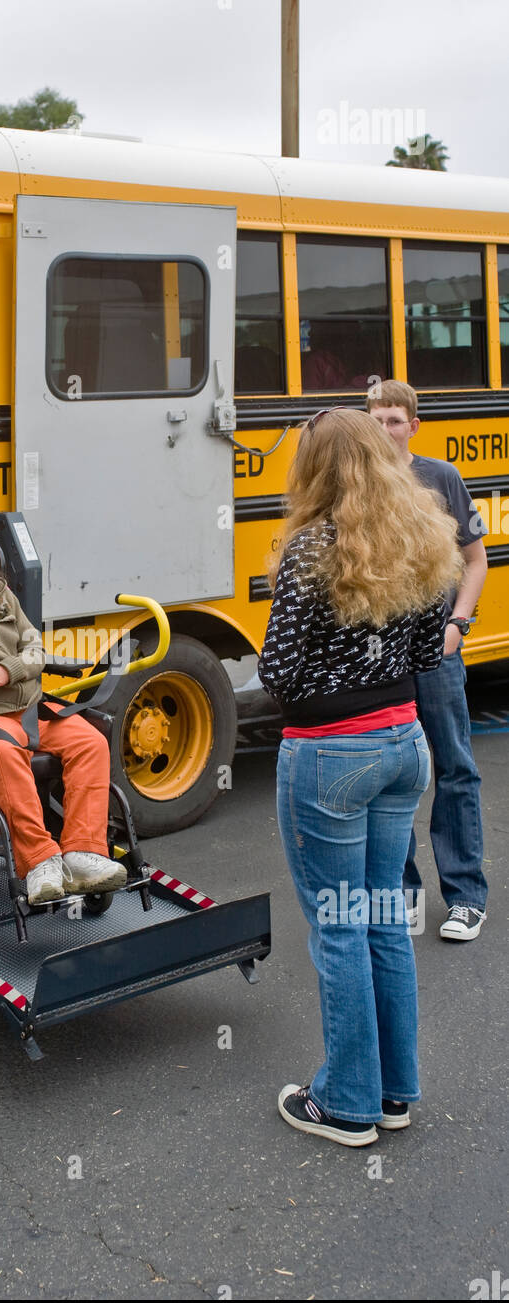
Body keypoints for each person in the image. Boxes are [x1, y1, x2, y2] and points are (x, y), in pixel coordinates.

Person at [258, 409, 461, 1146]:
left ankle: (346, 1104)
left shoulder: (313, 546)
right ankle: (394, 1091)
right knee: (381, 922)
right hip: (404, 744)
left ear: (314, 467)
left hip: (332, 756)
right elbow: (431, 658)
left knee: (338, 926)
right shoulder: (422, 535)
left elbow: (277, 672)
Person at [0, 513, 126, 905]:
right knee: (3, 755)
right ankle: (40, 863)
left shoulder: (0, 593)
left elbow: (35, 647)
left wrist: (10, 668)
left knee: (91, 742)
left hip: (31, 710)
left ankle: (84, 852)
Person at [367, 380, 488, 941]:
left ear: (414, 425)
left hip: (436, 654)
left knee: (454, 767)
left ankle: (466, 897)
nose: (385, 429)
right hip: (381, 657)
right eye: (376, 419)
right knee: (394, 777)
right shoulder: (358, 484)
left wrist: (457, 625)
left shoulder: (442, 478)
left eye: (395, 420)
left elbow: (475, 559)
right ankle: (405, 894)